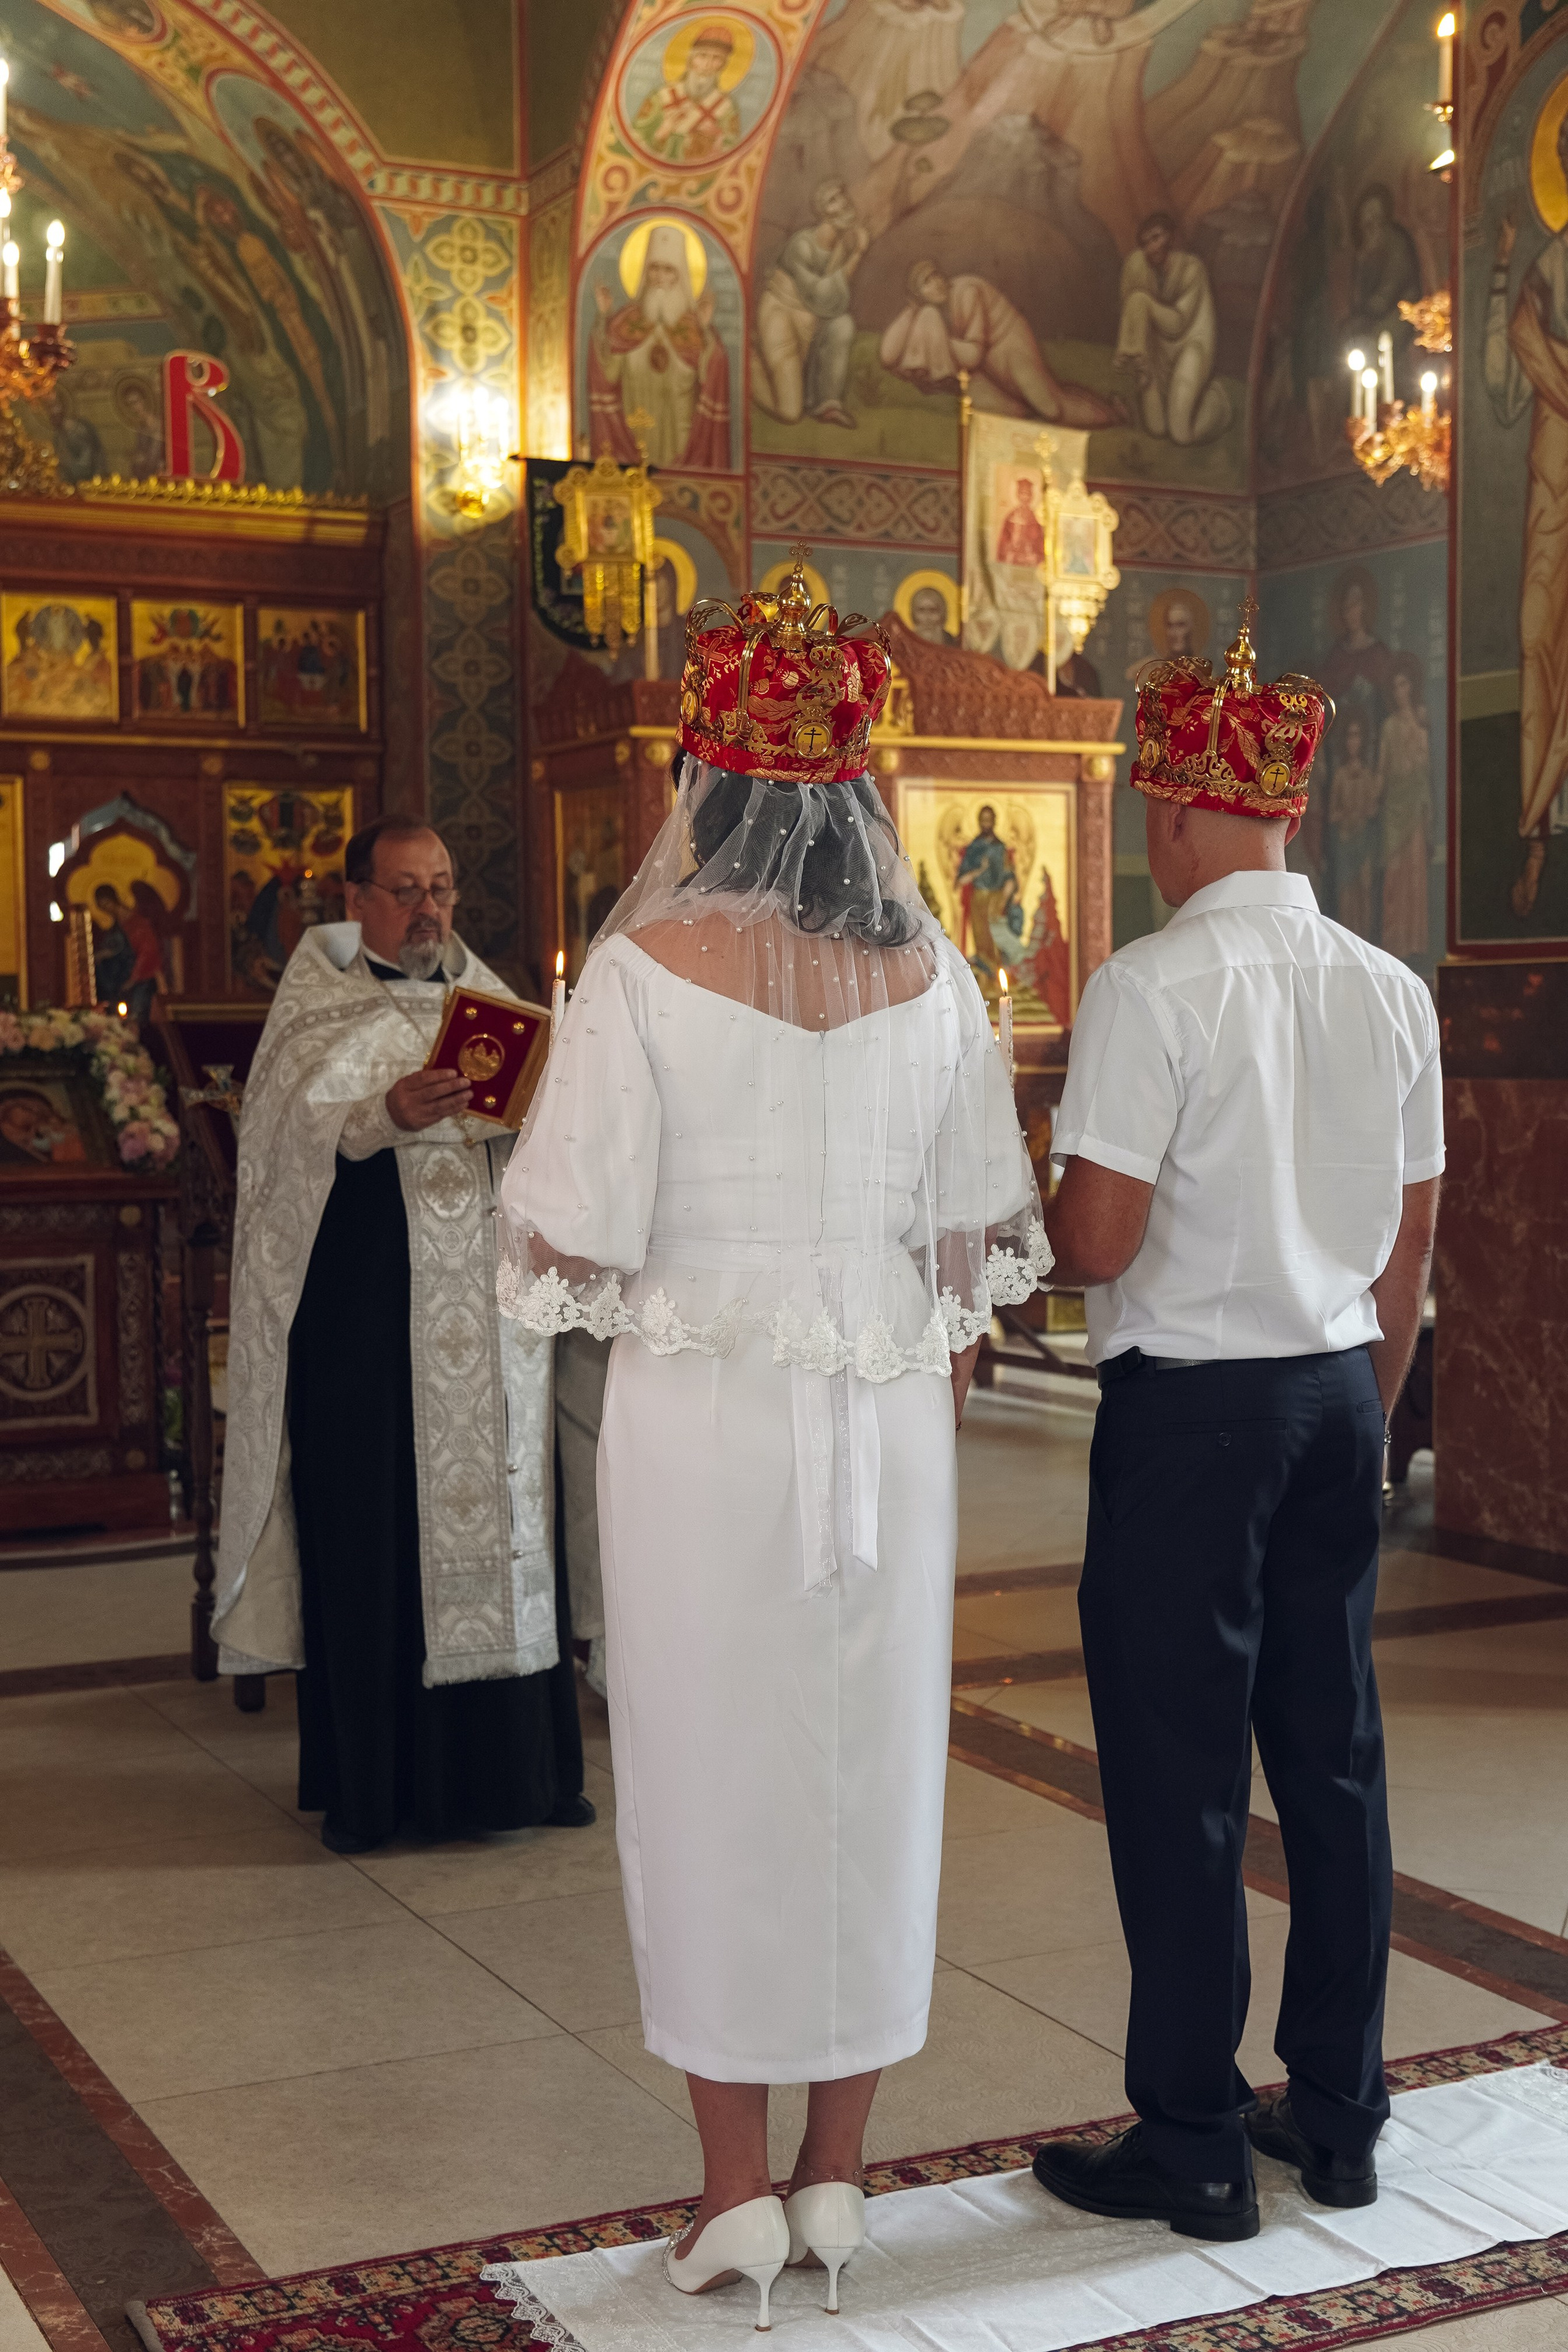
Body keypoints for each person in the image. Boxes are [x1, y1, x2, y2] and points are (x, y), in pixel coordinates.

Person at [497, 552, 1048, 2326]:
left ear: (704, 790)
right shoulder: (937, 978)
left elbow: (571, 1238)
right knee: (868, 1774)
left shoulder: (649, 967)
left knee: (706, 1769)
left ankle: (731, 2190)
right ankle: (837, 2179)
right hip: (884, 1412)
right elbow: (968, 1250)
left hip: (707, 1414)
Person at [1031, 602, 1442, 2241]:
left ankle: (1197, 2137)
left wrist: (1042, 1210)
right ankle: (1338, 2116)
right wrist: (1369, 1404)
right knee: (1332, 1760)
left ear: (1187, 810)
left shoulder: (1150, 987)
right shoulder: (1390, 987)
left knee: (1182, 1773)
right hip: (1341, 1391)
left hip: (1197, 1416)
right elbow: (1412, 1240)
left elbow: (1101, 1244)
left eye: (1153, 804)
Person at [212, 815, 591, 1853]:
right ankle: (377, 1791)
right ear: (357, 899)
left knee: (515, 1528)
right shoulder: (316, 1013)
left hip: (495, 1334)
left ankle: (525, 1776)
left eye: (442, 888)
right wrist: (383, 1112)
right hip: (368, 1332)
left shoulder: (504, 1009)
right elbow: (283, 1154)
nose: (428, 907)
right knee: (377, 1533)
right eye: (406, 888)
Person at [1483, 145, 1568, 918]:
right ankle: (1535, 832)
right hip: (1554, 462)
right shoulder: (1548, 267)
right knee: (1537, 632)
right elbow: (1516, 352)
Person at [881, 262, 1123, 427]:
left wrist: (941, 344)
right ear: (919, 294)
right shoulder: (927, 315)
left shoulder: (967, 292)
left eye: (936, 276)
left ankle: (1113, 414)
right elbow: (888, 355)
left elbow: (975, 354)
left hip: (1006, 345)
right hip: (978, 368)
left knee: (1050, 408)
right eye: (927, 282)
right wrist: (912, 310)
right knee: (1014, 414)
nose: (937, 283)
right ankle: (1077, 397)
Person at [589, 222, 731, 469]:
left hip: (681, 436)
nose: (660, 278)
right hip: (636, 430)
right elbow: (608, 372)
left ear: (681, 275)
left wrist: (706, 330)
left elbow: (712, 376)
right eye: (654, 269)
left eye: (668, 270)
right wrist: (603, 318)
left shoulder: (694, 327)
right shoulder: (627, 321)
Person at [753, 181, 867, 428]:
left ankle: (828, 404)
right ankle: (749, 363)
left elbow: (833, 304)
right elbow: (821, 294)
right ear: (823, 212)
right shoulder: (802, 245)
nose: (844, 203)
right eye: (833, 200)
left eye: (842, 196)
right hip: (781, 316)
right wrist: (857, 255)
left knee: (843, 325)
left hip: (811, 320)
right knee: (790, 413)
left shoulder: (840, 244)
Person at [1115, 212, 1232, 447]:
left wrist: (1145, 303)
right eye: (1146, 243)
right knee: (1156, 429)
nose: (1152, 248)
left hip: (1191, 347)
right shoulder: (1139, 267)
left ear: (1170, 237)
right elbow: (1133, 314)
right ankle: (1136, 358)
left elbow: (1177, 324)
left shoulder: (1192, 269)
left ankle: (1218, 402)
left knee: (1181, 433)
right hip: (1158, 351)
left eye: (1157, 238)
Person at [632, 21, 743, 163]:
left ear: (723, 65)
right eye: (702, 56)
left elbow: (731, 149)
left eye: (716, 58)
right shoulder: (661, 97)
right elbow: (637, 137)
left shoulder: (727, 108)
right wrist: (663, 131)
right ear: (691, 59)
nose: (707, 64)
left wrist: (716, 141)